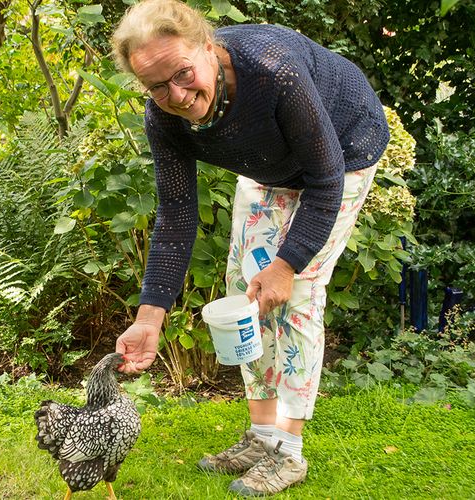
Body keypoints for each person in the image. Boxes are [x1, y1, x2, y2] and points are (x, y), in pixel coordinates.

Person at [110, 0, 389, 496]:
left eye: (182, 73)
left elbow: (324, 181)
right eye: (156, 86)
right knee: (245, 292)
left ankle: (288, 450)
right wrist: (149, 317)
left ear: (207, 46)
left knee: (297, 290)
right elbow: (176, 216)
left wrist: (287, 264)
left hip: (343, 152)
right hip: (272, 168)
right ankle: (262, 435)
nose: (175, 94)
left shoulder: (272, 69)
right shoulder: (164, 118)